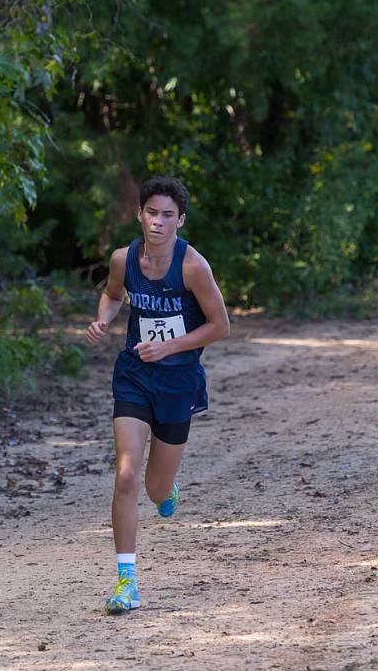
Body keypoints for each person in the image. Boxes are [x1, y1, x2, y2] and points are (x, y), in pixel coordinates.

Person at [85, 175, 230, 614]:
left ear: (180, 221)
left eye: (169, 215)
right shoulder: (123, 258)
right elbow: (112, 296)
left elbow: (220, 326)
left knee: (154, 488)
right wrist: (104, 319)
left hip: (176, 383)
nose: (159, 222)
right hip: (133, 375)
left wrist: (169, 346)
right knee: (126, 474)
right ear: (140, 214)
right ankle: (126, 580)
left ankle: (168, 489)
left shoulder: (192, 267)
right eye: (152, 212)